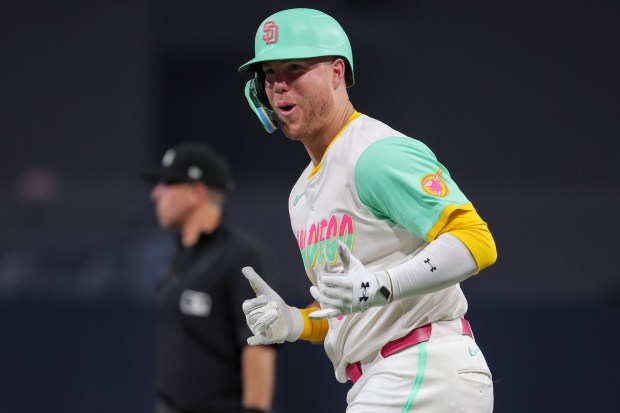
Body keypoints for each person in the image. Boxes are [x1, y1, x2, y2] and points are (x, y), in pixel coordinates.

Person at [238, 8, 497, 413]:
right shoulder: (300, 193)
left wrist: (380, 285)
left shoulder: (374, 152)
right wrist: (295, 322)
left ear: (337, 73)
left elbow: (476, 242)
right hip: (384, 376)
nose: (280, 85)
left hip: (421, 367)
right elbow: (351, 307)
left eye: (295, 68)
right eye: (269, 74)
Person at [144, 142, 276, 413]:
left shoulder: (241, 258)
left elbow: (259, 345)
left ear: (196, 192)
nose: (156, 194)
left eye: (167, 184)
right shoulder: (178, 258)